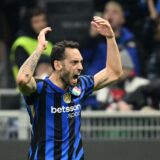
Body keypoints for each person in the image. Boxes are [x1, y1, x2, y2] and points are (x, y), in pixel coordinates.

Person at [16, 16, 123, 160]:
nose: (80, 67)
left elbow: (114, 73)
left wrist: (110, 38)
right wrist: (39, 49)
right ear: (58, 65)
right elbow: (23, 79)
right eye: (74, 62)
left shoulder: (80, 85)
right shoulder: (39, 89)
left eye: (81, 62)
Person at [10, 7, 53, 85]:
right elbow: (23, 72)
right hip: (27, 92)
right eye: (36, 21)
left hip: (47, 91)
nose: (41, 24)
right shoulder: (21, 43)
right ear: (29, 23)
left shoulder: (49, 44)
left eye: (43, 20)